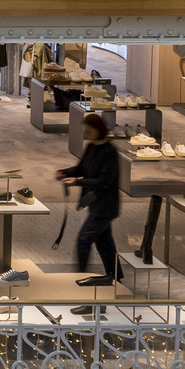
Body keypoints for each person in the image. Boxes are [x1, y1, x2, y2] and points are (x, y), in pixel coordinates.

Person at [58, 109, 125, 288]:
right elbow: (81, 168)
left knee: (84, 239)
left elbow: (103, 181)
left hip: (106, 206)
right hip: (95, 204)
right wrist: (64, 172)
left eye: (89, 131)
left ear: (98, 129)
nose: (86, 134)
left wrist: (77, 183)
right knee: (104, 242)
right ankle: (116, 277)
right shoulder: (92, 147)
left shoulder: (110, 152)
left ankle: (82, 275)